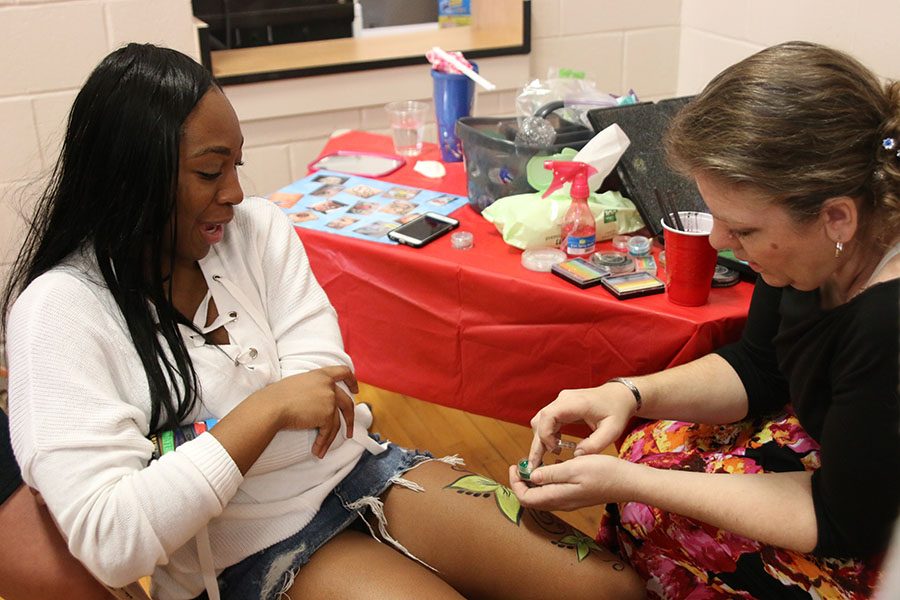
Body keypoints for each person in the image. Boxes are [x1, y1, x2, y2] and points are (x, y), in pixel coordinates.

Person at [1, 44, 644, 600]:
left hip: (359, 471)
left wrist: (193, 453)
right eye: (207, 171)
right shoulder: (60, 313)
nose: (232, 193)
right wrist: (268, 409)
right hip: (241, 549)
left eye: (236, 165)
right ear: (128, 181)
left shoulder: (256, 229)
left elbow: (328, 395)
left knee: (607, 588)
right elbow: (116, 540)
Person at [511, 41, 900, 599]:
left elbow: (846, 523)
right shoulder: (814, 254)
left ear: (837, 216)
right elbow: (761, 366)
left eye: (742, 230)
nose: (720, 243)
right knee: (648, 450)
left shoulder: (886, 324)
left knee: (653, 500)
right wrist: (628, 393)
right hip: (846, 453)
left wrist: (634, 483)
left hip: (868, 525)